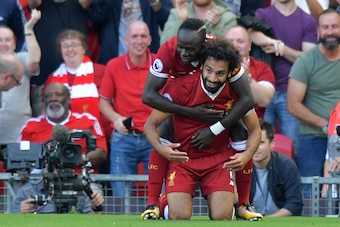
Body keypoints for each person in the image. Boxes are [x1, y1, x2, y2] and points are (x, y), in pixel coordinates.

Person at [141, 18, 259, 221]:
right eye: (209, 71)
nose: (213, 78)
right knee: (179, 216)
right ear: (202, 66)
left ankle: (242, 203)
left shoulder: (233, 85)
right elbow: (150, 118)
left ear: (229, 72)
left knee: (239, 128)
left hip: (217, 160)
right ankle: (156, 202)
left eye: (220, 73)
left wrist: (246, 154)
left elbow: (254, 122)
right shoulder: (179, 82)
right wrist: (189, 112)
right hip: (184, 159)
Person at [250, 0, 318, 157]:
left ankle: (288, 181)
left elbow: (309, 60)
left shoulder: (307, 20)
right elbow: (249, 32)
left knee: (291, 148)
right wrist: (270, 41)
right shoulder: (263, 14)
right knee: (257, 146)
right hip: (263, 90)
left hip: (291, 93)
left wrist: (282, 49)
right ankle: (259, 182)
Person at [287, 8, 340, 198]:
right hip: (314, 135)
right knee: (309, 190)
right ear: (318, 31)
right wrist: (326, 125)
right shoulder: (306, 61)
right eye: (325, 27)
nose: (330, 31)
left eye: (335, 26)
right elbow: (292, 104)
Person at [19, 82, 108, 193]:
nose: (53, 99)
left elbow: (101, 152)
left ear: (68, 99)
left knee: (95, 195)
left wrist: (78, 159)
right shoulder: (30, 126)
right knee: (22, 194)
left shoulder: (88, 121)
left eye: (58, 94)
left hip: (81, 182)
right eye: (48, 96)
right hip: (41, 183)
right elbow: (19, 157)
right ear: (43, 101)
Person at [99, 21, 155, 196]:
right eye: (134, 36)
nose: (139, 41)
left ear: (150, 40)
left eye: (143, 36)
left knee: (159, 193)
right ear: (126, 40)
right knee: (120, 196)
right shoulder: (114, 65)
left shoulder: (159, 65)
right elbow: (103, 102)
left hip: (154, 135)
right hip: (125, 135)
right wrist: (116, 119)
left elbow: (171, 100)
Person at [28, 0, 95, 116]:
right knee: (48, 132)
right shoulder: (40, 4)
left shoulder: (79, 3)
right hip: (46, 84)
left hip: (80, 80)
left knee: (81, 128)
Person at [0, 9, 41, 145]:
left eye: (8, 40)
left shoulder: (20, 60)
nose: (4, 44)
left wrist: (28, 29)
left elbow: (34, 60)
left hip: (17, 132)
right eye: (0, 40)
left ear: (14, 43)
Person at [89, 0, 172, 64]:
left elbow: (168, 22)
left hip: (148, 61)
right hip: (114, 58)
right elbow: (94, 17)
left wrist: (154, 2)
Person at [250, 119, 303, 216]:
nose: (255, 147)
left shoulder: (286, 165)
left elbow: (295, 204)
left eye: (261, 143)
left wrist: (267, 221)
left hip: (280, 222)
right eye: (252, 142)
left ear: (272, 144)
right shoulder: (241, 167)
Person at [224, 25, 275, 119]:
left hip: (253, 124)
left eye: (240, 41)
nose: (235, 45)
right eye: (230, 41)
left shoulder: (262, 68)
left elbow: (264, 100)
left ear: (250, 45)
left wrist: (246, 77)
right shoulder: (214, 67)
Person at [11, 167, 104, 214]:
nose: (56, 171)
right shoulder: (27, 192)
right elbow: (12, 221)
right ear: (44, 166)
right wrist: (21, 213)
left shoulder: (82, 190)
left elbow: (92, 221)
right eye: (52, 165)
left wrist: (96, 209)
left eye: (60, 166)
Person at [160, 0, 237, 44]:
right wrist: (182, 21)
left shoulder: (228, 17)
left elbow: (230, 52)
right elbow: (164, 46)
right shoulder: (176, 13)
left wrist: (216, 28)